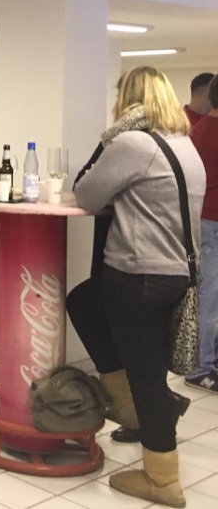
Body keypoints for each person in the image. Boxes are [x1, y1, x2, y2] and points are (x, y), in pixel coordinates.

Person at [71, 66, 204, 507]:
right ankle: (137, 404)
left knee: (145, 376)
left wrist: (109, 142)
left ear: (128, 99)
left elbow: (87, 194)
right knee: (85, 301)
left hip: (137, 274)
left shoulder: (133, 144)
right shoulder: (184, 144)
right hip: (176, 273)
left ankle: (162, 479)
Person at [187, 75, 218, 393]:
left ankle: (206, 361)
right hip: (213, 223)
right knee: (209, 297)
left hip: (203, 221)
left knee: (208, 295)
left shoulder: (198, 130)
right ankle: (201, 367)